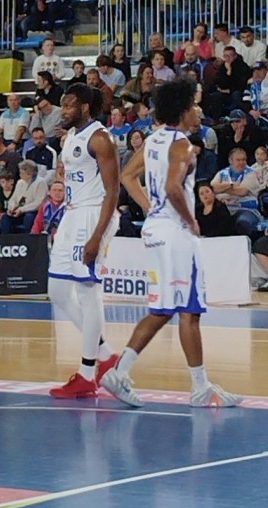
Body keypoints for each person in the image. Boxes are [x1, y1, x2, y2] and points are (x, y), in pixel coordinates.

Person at [103, 78, 240, 408]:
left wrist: (151, 208)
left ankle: (121, 373)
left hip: (156, 230)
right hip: (176, 234)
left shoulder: (151, 141)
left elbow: (127, 177)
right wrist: (191, 221)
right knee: (190, 311)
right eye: (194, 106)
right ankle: (198, 387)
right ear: (182, 110)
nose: (198, 110)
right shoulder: (182, 145)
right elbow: (174, 187)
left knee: (165, 309)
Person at [47, 84, 122, 399]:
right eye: (63, 105)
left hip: (94, 215)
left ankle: (88, 372)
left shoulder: (100, 138)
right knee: (58, 291)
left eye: (70, 105)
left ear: (86, 107)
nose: (64, 110)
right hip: (72, 213)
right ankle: (106, 356)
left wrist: (97, 235)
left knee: (88, 293)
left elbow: (113, 191)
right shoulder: (71, 137)